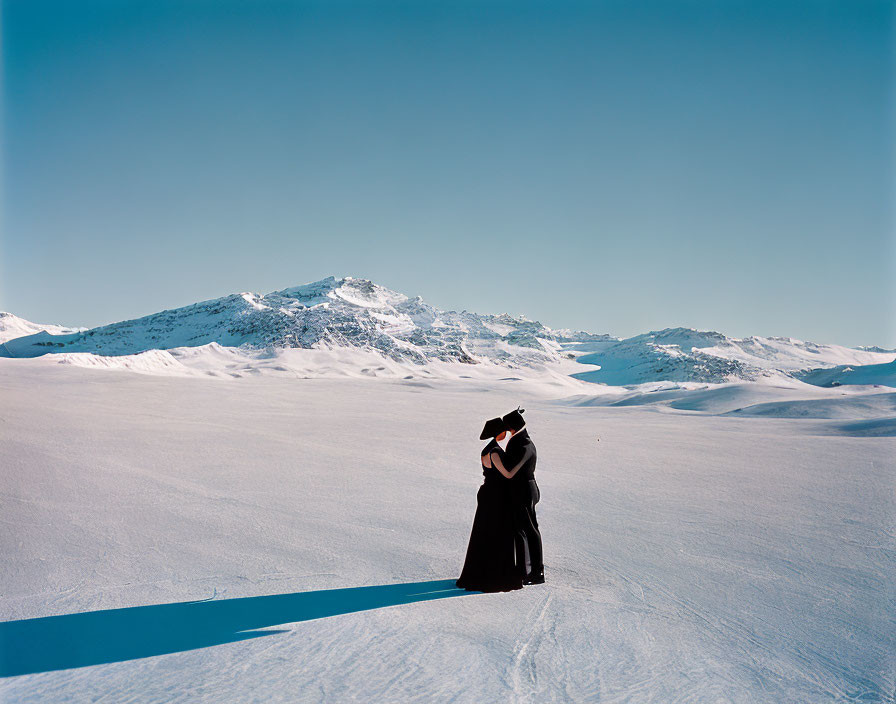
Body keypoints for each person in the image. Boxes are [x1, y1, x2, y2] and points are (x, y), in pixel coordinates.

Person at [456, 418, 523, 592]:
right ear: (498, 433)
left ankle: (481, 571)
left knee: (485, 533)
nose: (506, 433)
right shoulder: (494, 451)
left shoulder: (487, 450)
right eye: (504, 431)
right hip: (496, 496)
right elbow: (507, 474)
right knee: (498, 533)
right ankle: (495, 574)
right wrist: (521, 465)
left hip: (489, 494)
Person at [490, 407, 544, 585]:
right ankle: (531, 569)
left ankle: (535, 573)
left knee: (528, 530)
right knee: (529, 529)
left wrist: (497, 458)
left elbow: (511, 472)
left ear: (512, 427)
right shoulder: (524, 440)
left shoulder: (521, 444)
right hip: (528, 489)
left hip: (523, 492)